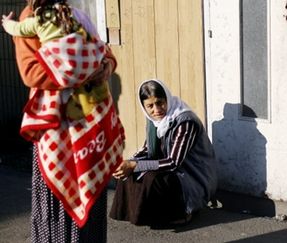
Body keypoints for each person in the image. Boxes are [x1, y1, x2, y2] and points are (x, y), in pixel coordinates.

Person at [2, 1, 125, 242]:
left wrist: (107, 66)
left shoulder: (74, 13)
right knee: (57, 203)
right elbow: (31, 72)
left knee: (91, 192)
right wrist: (83, 71)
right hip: (56, 130)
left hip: (88, 128)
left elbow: (104, 51)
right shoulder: (31, 16)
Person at [109, 79, 218, 226]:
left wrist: (135, 165)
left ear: (167, 98)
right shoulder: (154, 121)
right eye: (150, 106)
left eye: (160, 102)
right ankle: (144, 215)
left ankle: (184, 212)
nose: (156, 110)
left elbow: (173, 162)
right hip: (174, 170)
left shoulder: (185, 122)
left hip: (193, 177)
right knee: (130, 172)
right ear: (144, 107)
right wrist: (126, 163)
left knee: (151, 177)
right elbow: (147, 149)